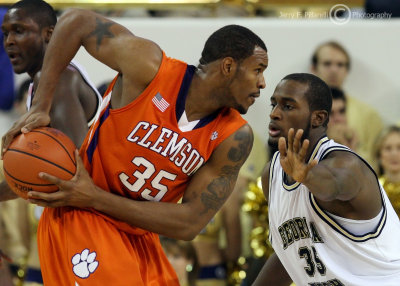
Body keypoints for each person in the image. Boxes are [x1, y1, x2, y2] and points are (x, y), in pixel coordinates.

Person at [1, 7, 268, 285]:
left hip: (140, 236)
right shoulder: (151, 67)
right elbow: (75, 21)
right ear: (228, 67)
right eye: (257, 70)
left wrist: (94, 196)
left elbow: (189, 223)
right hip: (81, 218)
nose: (262, 83)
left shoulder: (234, 136)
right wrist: (42, 105)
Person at [253, 73, 400, 286]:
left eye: (287, 106)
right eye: (273, 104)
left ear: (318, 118)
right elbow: (290, 252)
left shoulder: (346, 164)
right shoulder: (272, 174)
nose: (274, 114)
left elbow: (332, 186)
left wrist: (307, 176)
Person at [0, 0, 102, 284]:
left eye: (19, 31)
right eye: (5, 33)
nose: (9, 41)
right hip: (74, 225)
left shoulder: (58, 79)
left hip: (84, 229)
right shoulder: (44, 83)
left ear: (49, 34)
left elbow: (70, 176)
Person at [311, 41, 383, 168]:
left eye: (340, 65)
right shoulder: (300, 112)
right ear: (314, 68)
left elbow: (379, 162)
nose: (334, 70)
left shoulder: (368, 115)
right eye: (327, 63)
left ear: (347, 71)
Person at [375, 125, 400, 218]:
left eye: (399, 147)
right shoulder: (373, 190)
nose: (394, 154)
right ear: (379, 155)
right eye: (388, 148)